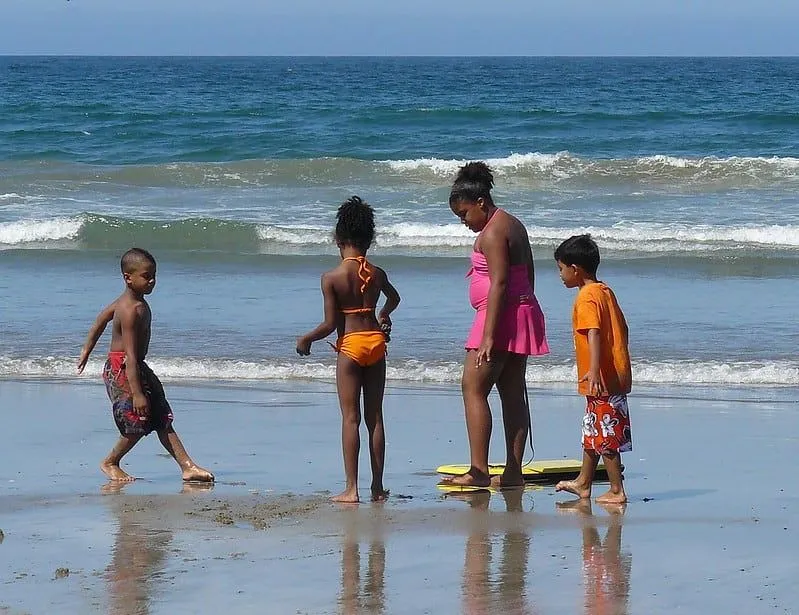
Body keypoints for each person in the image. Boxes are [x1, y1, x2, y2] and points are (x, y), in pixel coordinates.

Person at [444, 162, 549, 489]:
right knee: (512, 392)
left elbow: (500, 283)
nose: (463, 222)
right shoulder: (513, 223)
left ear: (480, 203)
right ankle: (513, 473)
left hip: (498, 316)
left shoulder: (491, 233)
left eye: (463, 214)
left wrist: (489, 336)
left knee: (473, 388)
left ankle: (478, 470)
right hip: (520, 312)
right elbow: (527, 276)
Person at [77, 248, 214, 484]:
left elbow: (100, 321)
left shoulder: (127, 302)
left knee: (161, 415)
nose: (151, 281)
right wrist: (138, 393)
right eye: (146, 276)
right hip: (124, 369)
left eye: (154, 276)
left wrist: (86, 350)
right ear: (127, 278)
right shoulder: (132, 310)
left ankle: (187, 466)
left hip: (135, 366)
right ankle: (110, 462)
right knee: (136, 421)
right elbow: (129, 354)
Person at [296, 196, 401, 503]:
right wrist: (383, 316)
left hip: (351, 347)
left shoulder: (332, 277)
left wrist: (306, 339)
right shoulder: (377, 273)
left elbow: (330, 324)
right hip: (376, 344)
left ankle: (352, 488)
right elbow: (394, 299)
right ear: (369, 239)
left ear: (337, 239)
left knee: (350, 418)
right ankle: (378, 487)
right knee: (376, 418)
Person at [554, 234, 631, 504]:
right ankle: (584, 482)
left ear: (575, 269)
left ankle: (616, 490)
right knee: (593, 430)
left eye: (561, 270)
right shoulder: (605, 291)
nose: (560, 276)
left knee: (606, 433)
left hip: (601, 378)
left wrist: (596, 369)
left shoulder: (587, 297)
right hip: (612, 375)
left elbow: (593, 333)